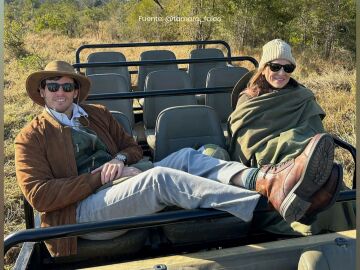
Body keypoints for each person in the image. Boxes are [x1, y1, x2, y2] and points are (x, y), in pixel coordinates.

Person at [15, 60, 336, 257]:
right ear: (42, 92)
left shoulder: (96, 114)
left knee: (186, 156)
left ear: (75, 90)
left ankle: (265, 180)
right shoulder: (30, 137)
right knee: (160, 179)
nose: (60, 91)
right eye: (52, 86)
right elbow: (40, 197)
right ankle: (263, 201)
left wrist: (122, 163)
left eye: (66, 85)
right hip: (79, 215)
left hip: (117, 187)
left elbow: (133, 147)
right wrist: (100, 177)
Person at [228, 39, 340, 222]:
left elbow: (316, 130)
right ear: (264, 68)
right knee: (293, 148)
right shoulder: (248, 99)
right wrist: (290, 139)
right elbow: (244, 141)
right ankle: (300, 198)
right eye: (275, 67)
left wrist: (302, 140)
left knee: (333, 183)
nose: (281, 73)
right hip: (268, 159)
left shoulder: (301, 96)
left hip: (307, 153)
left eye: (288, 68)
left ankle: (308, 175)